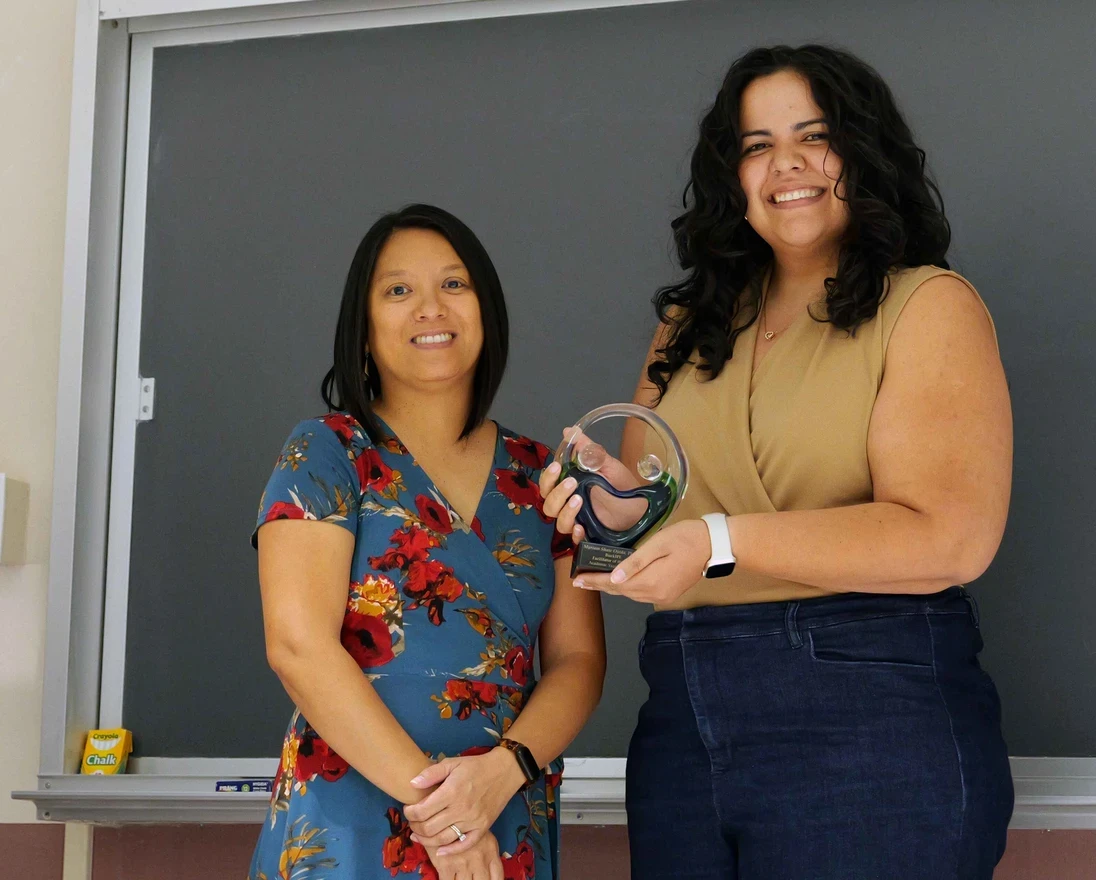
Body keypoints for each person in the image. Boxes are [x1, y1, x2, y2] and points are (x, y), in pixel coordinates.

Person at [540, 45, 1014, 880]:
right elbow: (656, 517)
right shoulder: (689, 326)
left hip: (869, 713)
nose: (785, 164)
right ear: (732, 175)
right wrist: (607, 510)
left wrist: (721, 543)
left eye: (814, 136)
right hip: (682, 713)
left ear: (863, 152)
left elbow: (950, 539)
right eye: (757, 145)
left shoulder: (927, 305)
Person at [250, 203, 605, 880]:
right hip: (352, 818)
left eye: (454, 283)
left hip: (501, 810)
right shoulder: (327, 452)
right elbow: (297, 646)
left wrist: (501, 774)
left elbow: (579, 661)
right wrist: (446, 818)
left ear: (486, 311)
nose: (430, 308)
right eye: (398, 290)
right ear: (363, 327)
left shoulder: (542, 475)